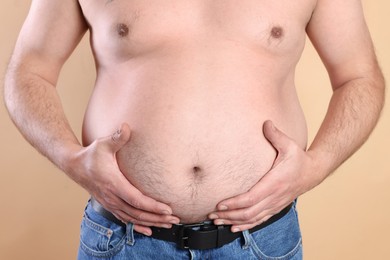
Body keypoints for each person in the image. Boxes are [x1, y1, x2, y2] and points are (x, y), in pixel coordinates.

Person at [4, 0, 385, 259]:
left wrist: (314, 167)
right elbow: (29, 71)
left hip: (261, 240)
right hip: (123, 239)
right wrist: (72, 160)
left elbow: (360, 77)